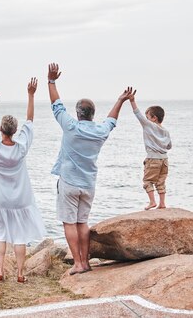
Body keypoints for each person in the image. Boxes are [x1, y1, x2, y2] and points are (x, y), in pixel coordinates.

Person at [47, 62, 133, 275]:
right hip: (88, 183)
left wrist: (51, 81)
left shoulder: (71, 127)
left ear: (78, 113)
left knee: (69, 223)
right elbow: (111, 120)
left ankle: (78, 263)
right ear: (93, 114)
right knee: (82, 223)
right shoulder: (100, 132)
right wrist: (120, 100)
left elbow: (56, 104)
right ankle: (86, 262)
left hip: (68, 182)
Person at [0, 78, 46, 283]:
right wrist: (31, 94)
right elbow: (30, 121)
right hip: (20, 199)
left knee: (0, 234)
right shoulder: (21, 147)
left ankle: (0, 270)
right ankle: (21, 274)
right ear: (14, 130)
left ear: (1, 129)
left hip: (0, 199)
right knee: (20, 236)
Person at [128, 91, 172, 210]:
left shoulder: (148, 125)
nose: (146, 119)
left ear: (153, 118)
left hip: (153, 159)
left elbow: (138, 114)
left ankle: (152, 202)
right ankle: (162, 203)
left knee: (147, 181)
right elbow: (169, 146)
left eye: (147, 117)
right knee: (161, 182)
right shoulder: (166, 131)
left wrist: (132, 101)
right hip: (164, 160)